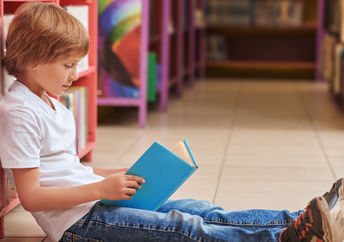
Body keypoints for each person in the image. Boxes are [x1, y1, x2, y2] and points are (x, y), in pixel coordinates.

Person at [0, 2, 343, 242]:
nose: (75, 75)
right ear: (31, 58)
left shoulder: (50, 103)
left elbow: (65, 169)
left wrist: (117, 173)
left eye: (77, 64)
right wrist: (100, 189)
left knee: (198, 209)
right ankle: (287, 237)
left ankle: (302, 219)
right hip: (79, 225)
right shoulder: (20, 112)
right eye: (67, 65)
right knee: (184, 228)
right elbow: (31, 197)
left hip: (93, 202)